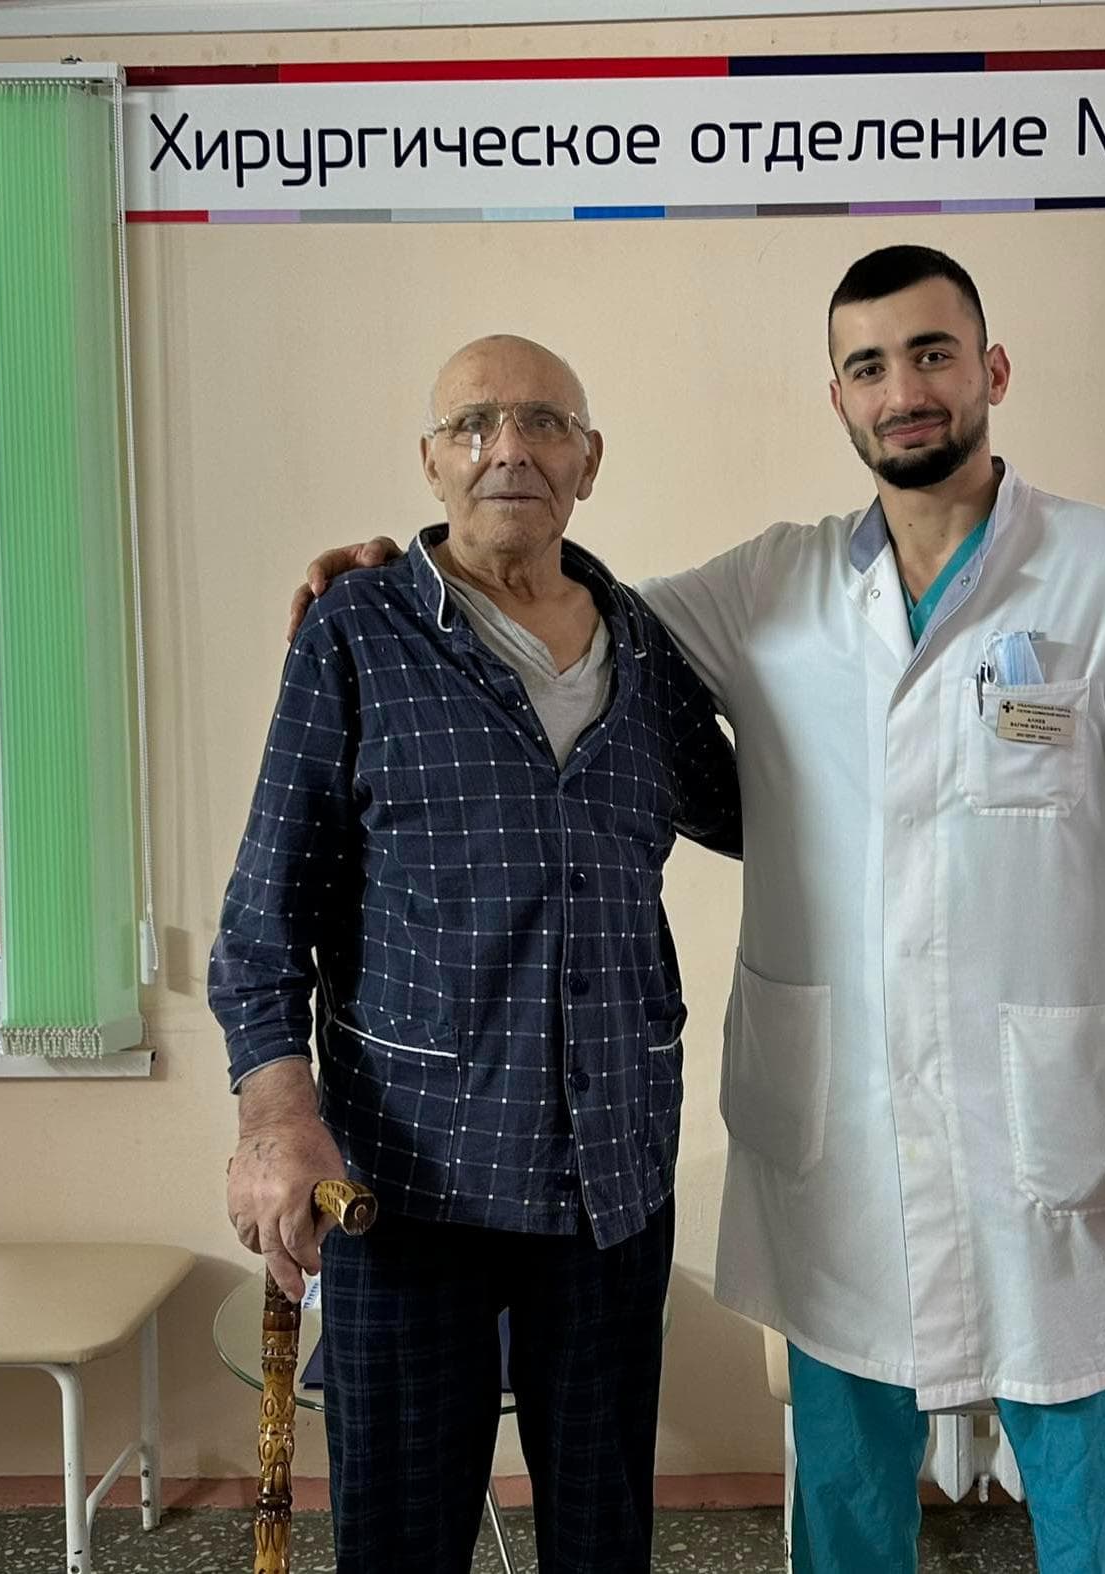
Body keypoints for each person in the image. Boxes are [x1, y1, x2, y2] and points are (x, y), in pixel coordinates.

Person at [291, 246, 1105, 1573]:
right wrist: (410, 582)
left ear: (990, 369)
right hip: (840, 1131)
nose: (902, 389)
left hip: (1055, 1126)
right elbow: (559, 613)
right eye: (868, 365)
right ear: (836, 397)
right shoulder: (773, 584)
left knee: (1099, 1489)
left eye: (931, 353)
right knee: (844, 1495)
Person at [210, 334, 741, 1574]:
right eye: (474, 424)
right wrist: (275, 1117)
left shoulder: (646, 648)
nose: (510, 447)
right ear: (431, 461)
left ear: (588, 462)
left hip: (611, 1178)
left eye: (545, 422)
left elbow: (759, 811)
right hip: (408, 1187)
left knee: (603, 1537)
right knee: (400, 1540)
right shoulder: (355, 631)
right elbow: (262, 918)